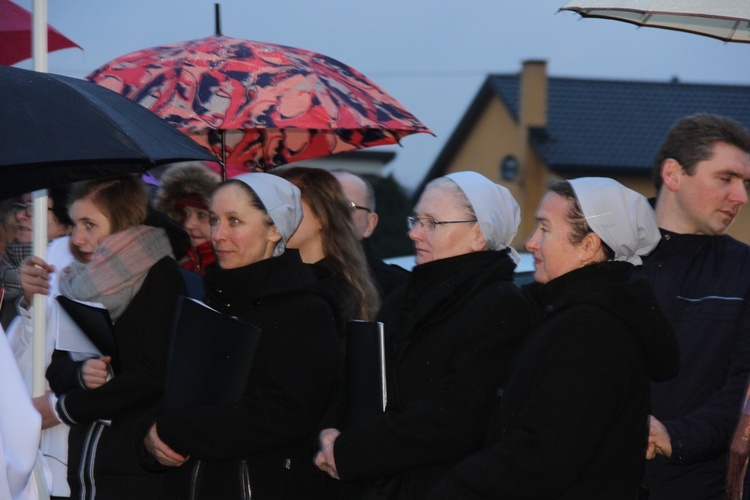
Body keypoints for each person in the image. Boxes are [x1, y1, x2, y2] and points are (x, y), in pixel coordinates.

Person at [428, 177, 679, 499]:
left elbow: (542, 456)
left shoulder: (590, 329)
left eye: (544, 229)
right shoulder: (575, 314)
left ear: (588, 246)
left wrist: (454, 489)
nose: (531, 242)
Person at [314, 171, 533, 499]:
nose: (415, 233)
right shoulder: (406, 295)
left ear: (478, 233)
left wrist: (354, 450)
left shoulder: (500, 305)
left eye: (431, 223)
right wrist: (332, 431)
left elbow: (458, 417)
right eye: (415, 220)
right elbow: (356, 380)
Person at [142, 172, 341, 499]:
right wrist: (149, 440)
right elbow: (172, 392)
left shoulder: (305, 309)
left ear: (274, 229)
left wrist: (174, 431)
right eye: (214, 219)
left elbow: (282, 414)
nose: (217, 235)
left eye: (234, 221)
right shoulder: (210, 300)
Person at [629, 113, 750, 499]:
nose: (742, 198)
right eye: (725, 179)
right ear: (673, 175)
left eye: (745, 184)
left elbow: (739, 392)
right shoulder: (608, 253)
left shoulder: (744, 272)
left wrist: (673, 437)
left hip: (693, 486)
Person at [42, 175, 184, 500]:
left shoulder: (162, 274)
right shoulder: (79, 281)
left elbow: (153, 375)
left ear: (122, 221)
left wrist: (71, 407)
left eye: (89, 224)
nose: (77, 238)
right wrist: (81, 374)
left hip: (134, 461)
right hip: (85, 460)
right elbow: (59, 367)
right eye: (75, 223)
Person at [278, 166, 380, 323]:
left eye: (291, 207)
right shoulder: (282, 275)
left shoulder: (332, 291)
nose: (279, 216)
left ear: (322, 216)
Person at [330, 169, 410, 299]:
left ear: (370, 223)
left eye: (348, 207)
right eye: (325, 205)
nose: (334, 214)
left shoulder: (399, 287)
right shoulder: (292, 277)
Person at [0, 188, 73, 329]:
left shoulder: (70, 278)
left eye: (33, 208)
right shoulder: (6, 261)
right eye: (21, 207)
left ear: (66, 226)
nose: (21, 215)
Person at [155, 162, 220, 275]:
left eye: (201, 215)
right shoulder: (180, 266)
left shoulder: (229, 272)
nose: (188, 224)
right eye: (186, 214)